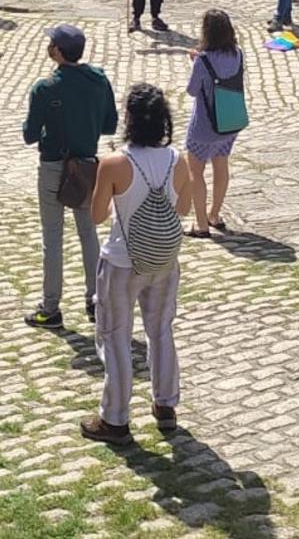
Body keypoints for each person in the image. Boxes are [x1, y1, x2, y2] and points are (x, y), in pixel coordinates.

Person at [82, 83, 189, 444]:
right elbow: (183, 209)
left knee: (115, 337)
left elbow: (97, 216)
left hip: (122, 262)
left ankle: (115, 418)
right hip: (163, 259)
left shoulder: (114, 163)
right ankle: (165, 403)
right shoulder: (178, 160)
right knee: (160, 330)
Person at [21, 24, 117, 328]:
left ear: (58, 52)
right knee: (89, 234)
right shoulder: (98, 80)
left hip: (53, 166)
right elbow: (110, 125)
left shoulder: (45, 87)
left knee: (53, 237)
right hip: (87, 165)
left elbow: (29, 134)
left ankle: (50, 307)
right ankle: (95, 300)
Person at [183, 10, 243, 237]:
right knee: (221, 166)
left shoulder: (203, 60)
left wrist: (195, 62)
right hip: (229, 123)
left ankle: (201, 224)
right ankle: (214, 214)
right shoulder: (238, 54)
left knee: (195, 172)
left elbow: (191, 91)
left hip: (204, 126)